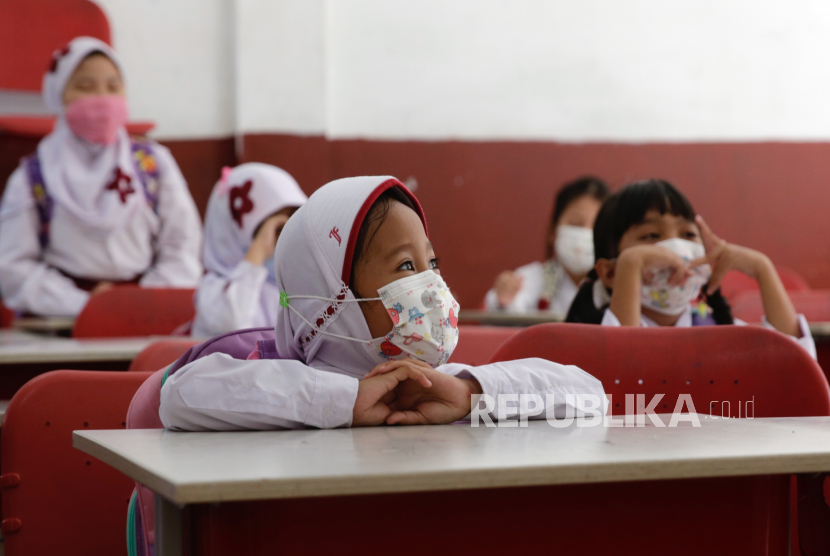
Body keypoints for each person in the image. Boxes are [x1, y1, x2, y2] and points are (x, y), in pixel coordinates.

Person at [159, 176, 607, 430]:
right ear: (331, 301)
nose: (433, 284)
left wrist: (471, 393)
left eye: (433, 262)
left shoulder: (432, 388)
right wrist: (347, 400)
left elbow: (589, 394)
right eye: (407, 267)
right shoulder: (280, 381)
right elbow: (178, 394)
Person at [0, 37, 202, 317]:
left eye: (113, 86)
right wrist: (84, 306)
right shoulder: (32, 176)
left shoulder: (153, 163)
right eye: (84, 86)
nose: (102, 98)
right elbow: (13, 267)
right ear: (58, 95)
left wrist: (138, 303)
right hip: (62, 320)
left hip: (148, 314)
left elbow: (183, 245)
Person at [565, 179, 816, 358]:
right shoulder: (591, 339)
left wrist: (763, 269)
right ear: (609, 273)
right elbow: (623, 368)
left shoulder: (719, 327)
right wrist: (631, 265)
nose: (676, 249)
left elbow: (798, 364)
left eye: (688, 234)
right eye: (652, 235)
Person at [192, 163, 307, 338]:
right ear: (232, 232)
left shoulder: (292, 290)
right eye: (276, 230)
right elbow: (232, 325)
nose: (283, 242)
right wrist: (257, 253)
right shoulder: (214, 289)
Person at [484, 176, 609, 319]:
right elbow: (504, 324)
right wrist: (504, 300)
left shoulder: (615, 286)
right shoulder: (531, 280)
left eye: (596, 227)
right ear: (553, 231)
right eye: (575, 224)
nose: (586, 233)